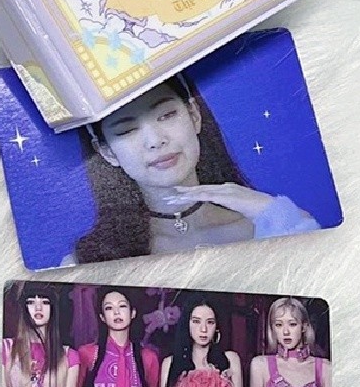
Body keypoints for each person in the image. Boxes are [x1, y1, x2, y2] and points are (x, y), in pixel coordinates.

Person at [65, 73, 318, 264]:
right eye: (127, 130)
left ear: (194, 115)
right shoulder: (87, 261)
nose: (155, 141)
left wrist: (272, 211)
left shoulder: (272, 226)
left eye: (167, 115)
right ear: (107, 152)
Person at [241, 297, 331, 387]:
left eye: (292, 324)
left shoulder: (325, 368)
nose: (285, 332)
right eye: (279, 325)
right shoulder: (260, 365)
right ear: (273, 328)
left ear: (304, 326)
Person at [76, 288, 160, 387]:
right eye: (109, 308)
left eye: (122, 306)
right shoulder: (88, 354)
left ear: (133, 313)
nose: (116, 312)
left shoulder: (148, 358)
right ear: (102, 317)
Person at [2, 283, 81, 387]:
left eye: (45, 302)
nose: (38, 308)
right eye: (31, 302)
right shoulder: (6, 349)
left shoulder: (69, 356)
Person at [159, 297, 243, 387]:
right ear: (187, 324)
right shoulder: (170, 364)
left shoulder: (230, 359)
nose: (203, 329)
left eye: (210, 322)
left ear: (217, 327)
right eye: (196, 321)